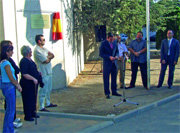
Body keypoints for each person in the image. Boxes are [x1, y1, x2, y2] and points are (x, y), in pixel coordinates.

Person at [0, 42, 22, 133]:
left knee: (10, 110)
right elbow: (11, 77)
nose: (12, 52)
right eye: (11, 51)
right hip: (8, 86)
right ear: (7, 52)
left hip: (7, 86)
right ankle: (8, 130)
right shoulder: (5, 63)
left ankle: (8, 129)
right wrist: (18, 85)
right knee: (11, 110)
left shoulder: (5, 62)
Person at [19, 46, 44, 121]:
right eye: (30, 51)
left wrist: (38, 73)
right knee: (28, 99)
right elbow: (24, 73)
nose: (31, 52)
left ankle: (33, 112)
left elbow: (33, 70)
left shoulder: (30, 60)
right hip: (27, 84)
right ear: (27, 52)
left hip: (33, 84)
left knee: (33, 98)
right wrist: (33, 78)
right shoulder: (24, 61)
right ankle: (28, 115)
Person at [34, 34, 57, 111]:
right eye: (43, 40)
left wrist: (48, 57)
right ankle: (41, 106)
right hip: (43, 73)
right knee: (43, 90)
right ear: (39, 41)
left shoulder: (44, 49)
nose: (44, 41)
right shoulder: (37, 50)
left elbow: (52, 55)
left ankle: (48, 103)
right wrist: (48, 58)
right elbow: (45, 60)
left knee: (48, 89)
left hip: (49, 72)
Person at [99, 32, 122, 99]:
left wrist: (117, 56)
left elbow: (117, 51)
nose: (112, 40)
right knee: (106, 78)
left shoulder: (115, 43)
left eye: (113, 39)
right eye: (111, 39)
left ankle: (114, 91)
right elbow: (101, 54)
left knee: (114, 78)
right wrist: (109, 57)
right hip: (107, 63)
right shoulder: (103, 44)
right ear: (107, 38)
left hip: (114, 63)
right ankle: (107, 93)